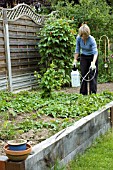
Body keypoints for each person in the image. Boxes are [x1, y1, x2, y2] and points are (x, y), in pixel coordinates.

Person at [73, 24, 98, 95]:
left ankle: (93, 93)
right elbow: (77, 50)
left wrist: (93, 63)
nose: (83, 37)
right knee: (83, 75)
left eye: (85, 35)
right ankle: (83, 94)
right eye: (82, 35)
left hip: (92, 57)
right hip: (84, 56)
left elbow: (95, 52)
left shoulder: (91, 39)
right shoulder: (78, 38)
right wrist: (75, 60)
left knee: (92, 75)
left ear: (87, 34)